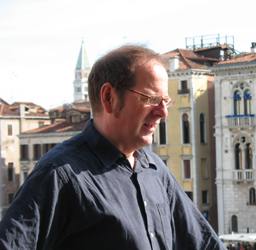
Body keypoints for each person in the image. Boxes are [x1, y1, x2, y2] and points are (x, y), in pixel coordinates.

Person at [0, 45, 225, 250]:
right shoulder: (58, 175)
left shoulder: (154, 168)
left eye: (165, 101)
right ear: (109, 97)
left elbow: (203, 242)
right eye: (151, 98)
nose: (163, 112)